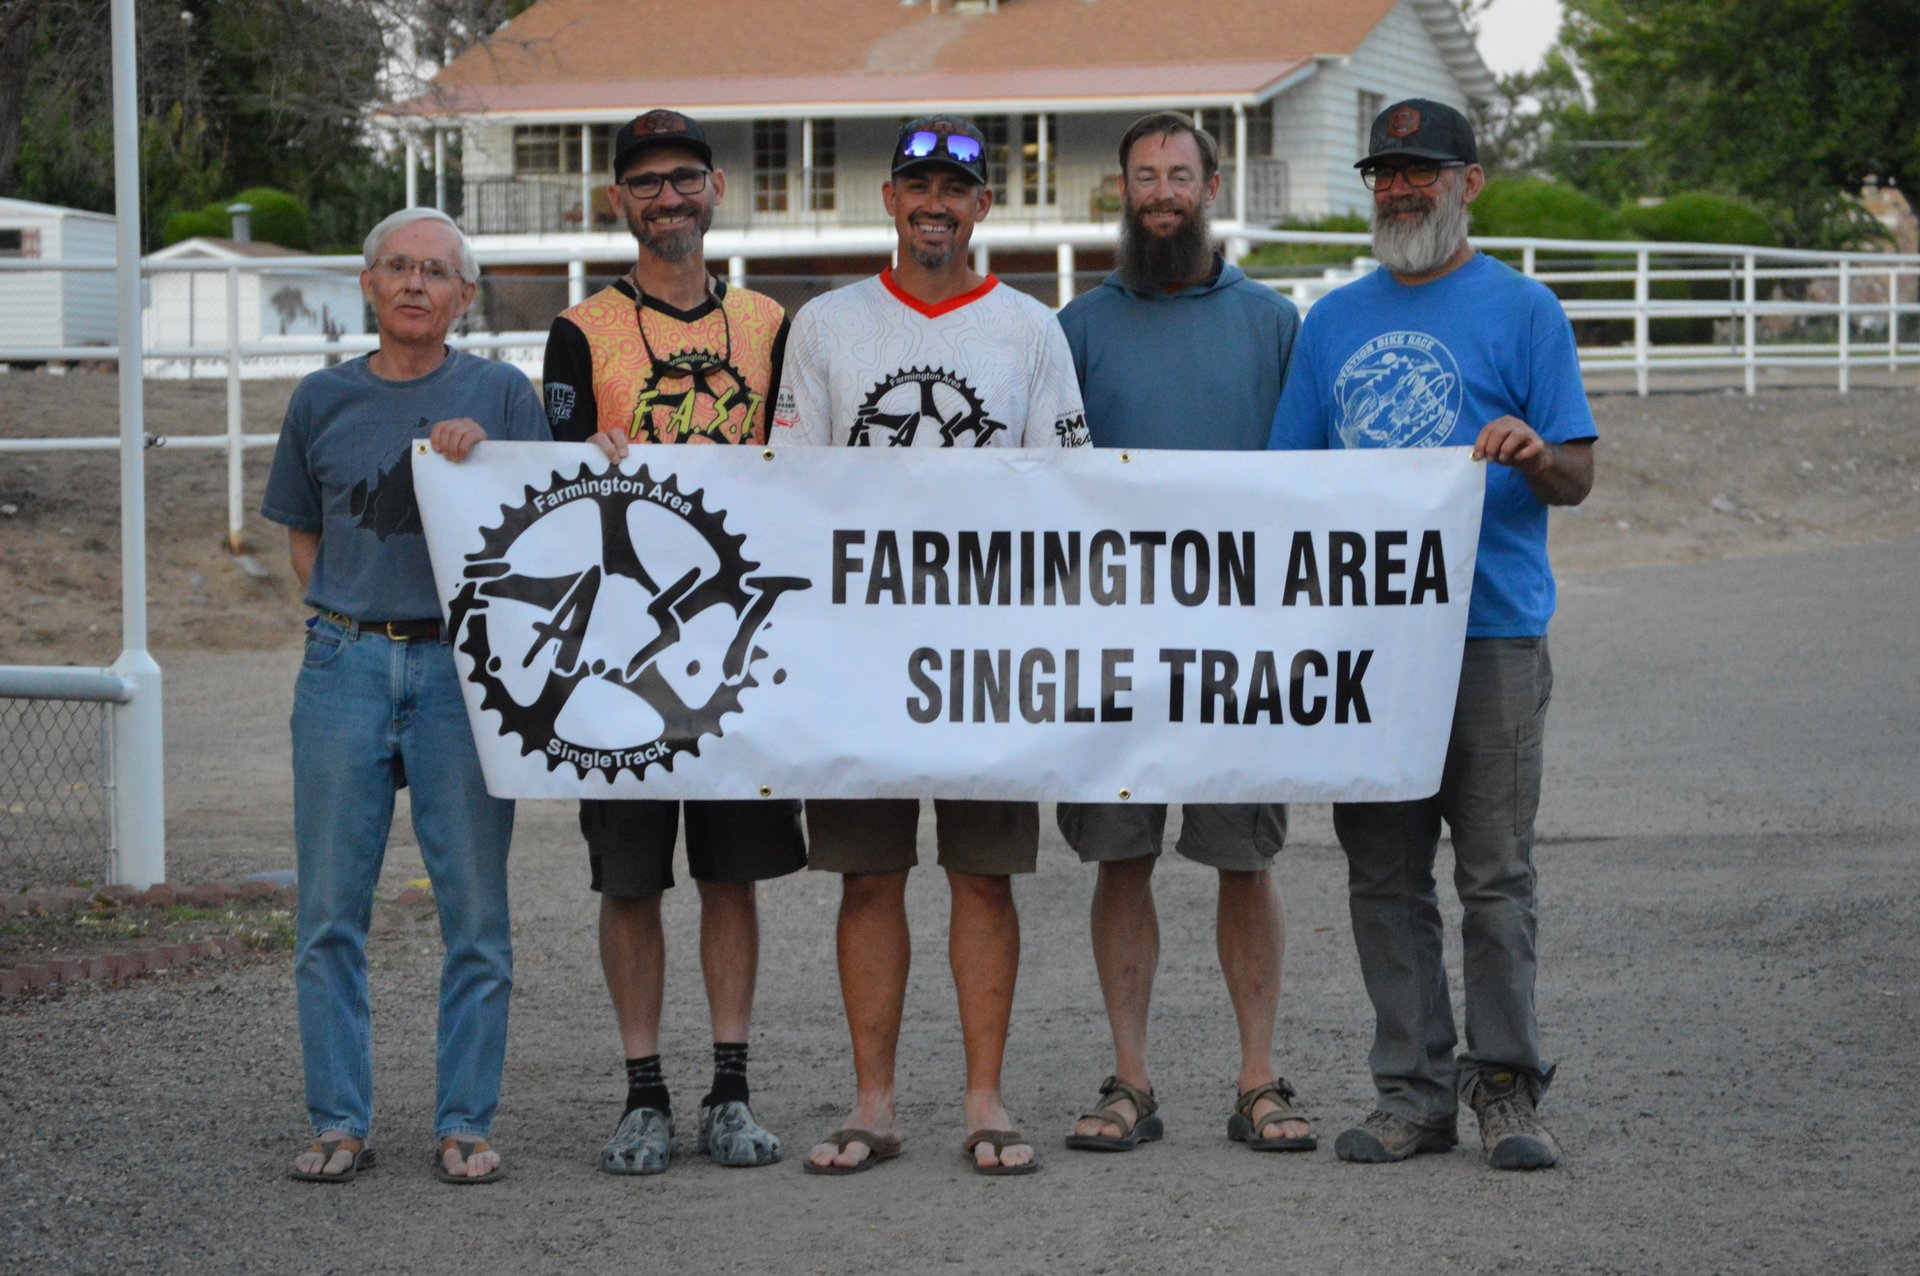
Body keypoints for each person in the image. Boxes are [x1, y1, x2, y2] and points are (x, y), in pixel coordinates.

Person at [1267, 98, 1597, 1170]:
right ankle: (1412, 1090)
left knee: (1496, 875)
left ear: (1471, 182)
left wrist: (1536, 455)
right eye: (1386, 174)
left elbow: (1581, 475)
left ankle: (1507, 1088)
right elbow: (1290, 485)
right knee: (1383, 874)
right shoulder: (1330, 324)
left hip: (1492, 631)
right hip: (1370, 643)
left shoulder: (1526, 311)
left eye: (1423, 171)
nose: (1402, 189)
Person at [774, 115, 1090, 1176]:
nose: (935, 204)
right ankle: (874, 1101)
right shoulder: (824, 327)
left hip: (987, 655)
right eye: (917, 184)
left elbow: (1067, 491)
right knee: (867, 877)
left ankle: (984, 1098)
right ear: (890, 200)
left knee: (983, 877)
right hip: (859, 652)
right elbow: (789, 489)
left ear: (983, 207)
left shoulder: (1032, 331)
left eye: (956, 188)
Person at [541, 108, 806, 1175]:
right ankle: (643, 1090)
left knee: (731, 876)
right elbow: (546, 486)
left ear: (715, 190)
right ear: (621, 202)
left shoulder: (770, 326)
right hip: (617, 657)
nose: (668, 197)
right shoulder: (580, 330)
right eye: (646, 182)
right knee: (631, 879)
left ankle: (730, 1088)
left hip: (735, 648)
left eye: (684, 177)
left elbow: (810, 474)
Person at [263, 207, 551, 1185]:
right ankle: (338, 1119)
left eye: (436, 270)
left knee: (474, 911)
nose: (416, 283)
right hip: (343, 663)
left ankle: (465, 1120)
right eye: (398, 267)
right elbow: (305, 536)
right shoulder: (321, 400)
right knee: (330, 910)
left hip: (462, 673)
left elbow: (551, 522)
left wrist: (496, 460)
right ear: (368, 284)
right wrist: (345, 615)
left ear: (465, 296)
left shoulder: (501, 394)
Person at [1053, 112, 1313, 1156]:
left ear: (1212, 186)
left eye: (1179, 174)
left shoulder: (1273, 324)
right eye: (1143, 175)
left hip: (1239, 642)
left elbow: (1319, 489)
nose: (1160, 191)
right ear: (1121, 191)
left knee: (1243, 859)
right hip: (1108, 643)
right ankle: (1130, 1078)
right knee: (1121, 860)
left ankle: (1259, 1078)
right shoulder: (1074, 329)